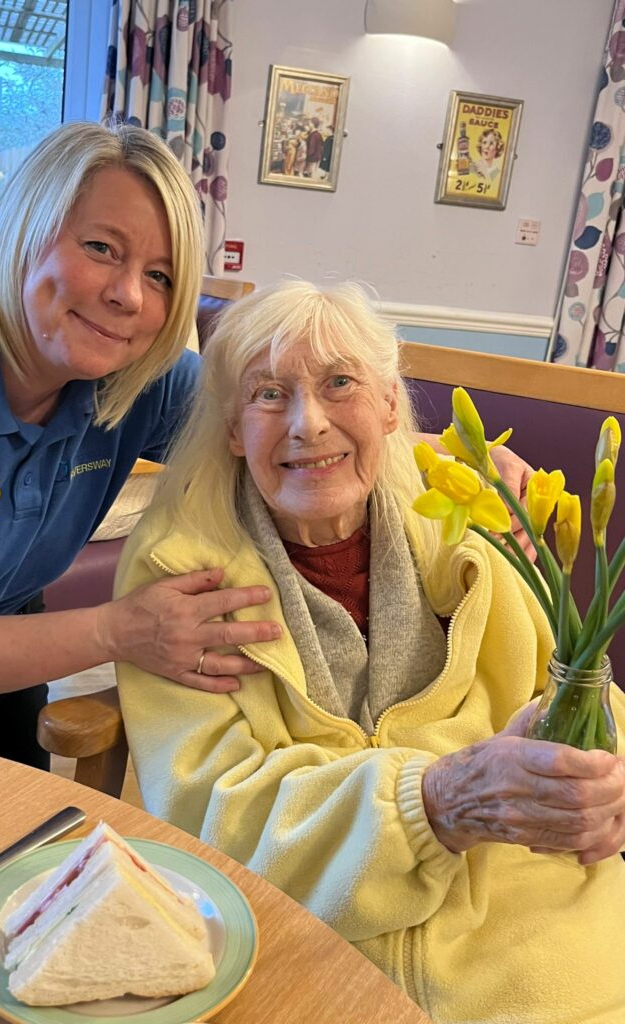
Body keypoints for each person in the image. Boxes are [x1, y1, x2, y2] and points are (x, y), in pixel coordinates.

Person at [114, 280, 625, 1024]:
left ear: (389, 405)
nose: (308, 423)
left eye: (339, 384)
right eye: (268, 394)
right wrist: (436, 801)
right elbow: (210, 814)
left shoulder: (471, 515)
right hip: (303, 940)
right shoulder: (178, 572)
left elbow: (576, 695)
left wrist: (608, 786)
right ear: (233, 431)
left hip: (526, 919)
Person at [0, 121, 282, 768]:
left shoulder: (137, 375)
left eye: (161, 276)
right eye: (101, 247)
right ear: (23, 226)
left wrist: (431, 461)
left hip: (0, 644)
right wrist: (121, 630)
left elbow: (282, 428)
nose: (129, 295)